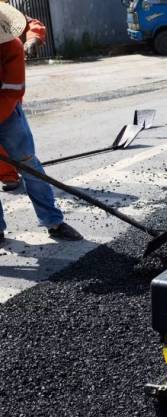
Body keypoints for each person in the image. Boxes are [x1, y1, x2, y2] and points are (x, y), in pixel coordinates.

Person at [0, 3, 83, 243]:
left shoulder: (11, 47)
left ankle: (53, 222)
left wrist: (33, 39)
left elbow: (11, 92)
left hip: (7, 114)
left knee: (29, 166)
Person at [0, 0, 47, 192]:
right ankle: (9, 173)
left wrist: (33, 39)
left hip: (8, 84)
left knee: (11, 128)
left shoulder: (6, 11)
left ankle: (14, 171)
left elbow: (31, 24)